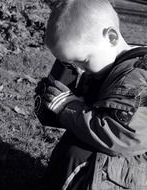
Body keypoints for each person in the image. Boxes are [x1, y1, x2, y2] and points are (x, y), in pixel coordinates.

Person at [35, 0, 147, 189]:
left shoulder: (136, 78)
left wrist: (67, 107)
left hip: (136, 165)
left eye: (84, 61)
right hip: (129, 161)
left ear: (111, 37)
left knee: (79, 151)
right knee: (79, 135)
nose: (81, 70)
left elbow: (123, 136)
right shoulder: (109, 66)